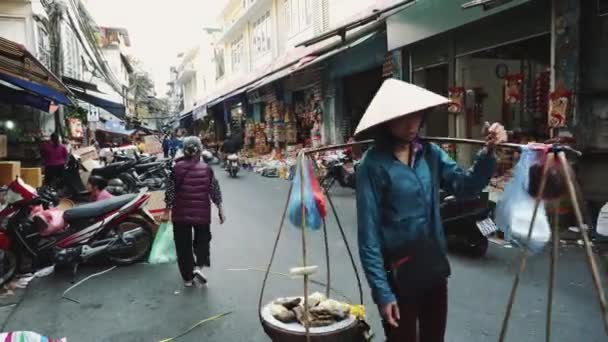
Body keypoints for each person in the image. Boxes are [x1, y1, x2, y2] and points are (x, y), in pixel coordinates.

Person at [355, 79, 507, 342]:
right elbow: (368, 236)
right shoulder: (372, 165)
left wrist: (488, 152)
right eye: (403, 118)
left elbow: (465, 186)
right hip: (397, 273)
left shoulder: (429, 154)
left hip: (432, 266)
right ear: (387, 121)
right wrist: (382, 292)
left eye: (416, 116)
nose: (412, 125)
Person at [162, 136, 226, 287]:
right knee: (203, 242)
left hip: (180, 215)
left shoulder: (175, 168)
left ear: (184, 150)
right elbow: (214, 190)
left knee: (182, 246)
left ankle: (188, 279)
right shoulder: (206, 169)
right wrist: (221, 210)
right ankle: (198, 267)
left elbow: (170, 192)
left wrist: (166, 211)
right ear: (200, 150)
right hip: (201, 214)